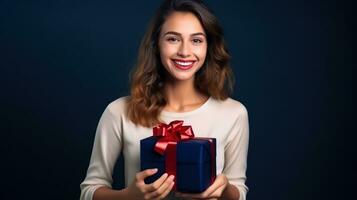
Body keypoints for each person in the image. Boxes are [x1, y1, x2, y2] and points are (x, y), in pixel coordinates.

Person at [80, 0, 249, 199]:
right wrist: (128, 196)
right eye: (173, 39)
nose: (185, 52)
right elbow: (89, 191)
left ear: (209, 47)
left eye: (196, 40)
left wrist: (224, 189)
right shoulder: (119, 111)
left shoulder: (233, 113)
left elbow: (239, 192)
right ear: (156, 44)